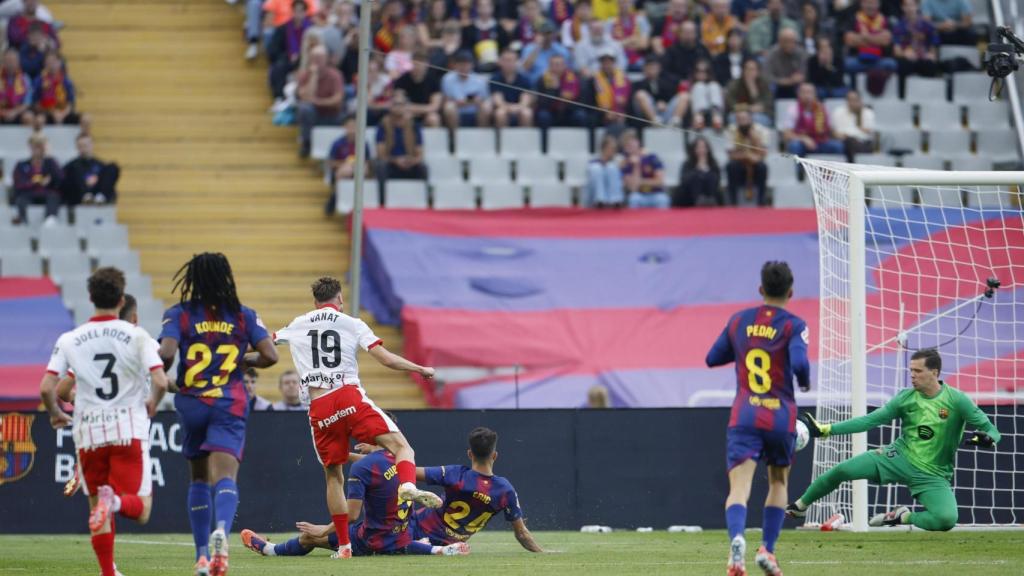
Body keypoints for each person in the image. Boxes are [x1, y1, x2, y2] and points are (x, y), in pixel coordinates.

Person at [267, 276, 443, 559]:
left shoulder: (299, 323)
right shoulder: (352, 323)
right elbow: (386, 358)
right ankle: (407, 485)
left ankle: (345, 546)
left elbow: (267, 341)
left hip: (319, 407)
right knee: (402, 448)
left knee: (333, 476)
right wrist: (421, 369)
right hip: (348, 396)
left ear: (315, 302)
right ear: (339, 299)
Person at [39, 267, 169, 576]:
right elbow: (161, 381)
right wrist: (152, 402)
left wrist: (55, 413)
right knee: (141, 509)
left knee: (96, 503)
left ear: (90, 298)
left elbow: (49, 389)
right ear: (121, 299)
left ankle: (107, 572)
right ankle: (114, 504)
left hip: (89, 434)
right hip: (127, 431)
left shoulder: (71, 339)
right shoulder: (137, 336)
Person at [158, 252, 280, 576]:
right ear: (226, 277)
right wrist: (242, 359)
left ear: (193, 280)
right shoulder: (243, 315)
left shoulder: (179, 313)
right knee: (225, 477)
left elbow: (166, 354)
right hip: (229, 403)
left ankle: (201, 556)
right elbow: (270, 356)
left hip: (192, 402)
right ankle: (222, 532)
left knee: (198, 477)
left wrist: (158, 368)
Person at [789, 349, 1001, 531]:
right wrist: (826, 430)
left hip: (932, 474)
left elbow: (992, 431)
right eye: (911, 370)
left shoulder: (957, 400)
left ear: (934, 373)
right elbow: (870, 420)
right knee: (843, 470)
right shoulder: (905, 398)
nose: (913, 375)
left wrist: (988, 439)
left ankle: (903, 517)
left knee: (946, 520)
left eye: (918, 371)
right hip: (897, 457)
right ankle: (800, 506)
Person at [706, 261, 811, 576]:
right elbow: (800, 364)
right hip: (780, 415)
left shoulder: (739, 321)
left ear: (761, 289)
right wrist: (804, 381)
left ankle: (737, 541)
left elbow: (712, 358)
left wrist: (743, 348)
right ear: (790, 292)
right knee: (778, 481)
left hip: (745, 415)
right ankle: (767, 549)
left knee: (739, 487)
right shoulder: (794, 325)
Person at [408, 427, 544, 553]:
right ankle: (422, 546)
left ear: (469, 454)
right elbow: (522, 534)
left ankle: (414, 544)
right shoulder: (505, 490)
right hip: (445, 544)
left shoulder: (455, 474)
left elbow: (409, 472)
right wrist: (542, 552)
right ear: (495, 456)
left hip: (412, 527)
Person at [296, 45, 344, 157]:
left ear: (326, 59)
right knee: (304, 109)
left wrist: (317, 102)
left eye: (320, 57)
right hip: (313, 115)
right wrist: (314, 76)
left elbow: (338, 99)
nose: (317, 60)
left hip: (332, 115)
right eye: (314, 57)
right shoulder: (305, 75)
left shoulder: (335, 75)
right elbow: (305, 98)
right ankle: (307, 143)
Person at [12, 132, 62, 227]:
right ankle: (23, 220)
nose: (37, 149)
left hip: (47, 193)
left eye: (40, 146)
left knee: (54, 196)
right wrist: (34, 182)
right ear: (30, 147)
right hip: (28, 194)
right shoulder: (22, 165)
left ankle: (50, 218)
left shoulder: (51, 163)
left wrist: (49, 157)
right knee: (20, 200)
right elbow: (18, 184)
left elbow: (60, 179)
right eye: (35, 146)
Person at [376, 91, 427, 182]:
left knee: (423, 168)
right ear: (391, 107)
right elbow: (381, 154)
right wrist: (396, 160)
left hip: (409, 163)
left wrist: (411, 161)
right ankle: (382, 192)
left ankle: (424, 191)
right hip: (391, 164)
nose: (398, 107)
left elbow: (420, 153)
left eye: (401, 104)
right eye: (396, 104)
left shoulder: (414, 125)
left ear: (406, 107)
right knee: (381, 166)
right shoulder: (383, 125)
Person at [783, 82, 844, 157]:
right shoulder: (793, 109)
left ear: (815, 94)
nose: (807, 95)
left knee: (838, 146)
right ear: (798, 94)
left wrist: (841, 135)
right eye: (804, 92)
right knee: (795, 145)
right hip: (802, 143)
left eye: (809, 92)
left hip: (820, 142)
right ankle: (799, 165)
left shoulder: (822, 109)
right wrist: (803, 139)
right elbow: (787, 134)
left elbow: (831, 130)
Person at [893, 0, 941, 96]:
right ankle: (902, 96)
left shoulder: (928, 25)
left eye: (912, 5)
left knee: (930, 64)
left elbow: (934, 47)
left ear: (917, 6)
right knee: (902, 65)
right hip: (907, 58)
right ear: (902, 8)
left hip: (923, 57)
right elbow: (896, 50)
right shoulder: (898, 26)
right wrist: (904, 54)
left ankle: (928, 96)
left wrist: (931, 55)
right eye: (906, 6)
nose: (909, 8)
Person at [267, 0, 311, 101]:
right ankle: (279, 97)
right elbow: (273, 49)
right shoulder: (283, 29)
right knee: (278, 67)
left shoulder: (311, 29)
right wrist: (288, 55)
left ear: (305, 13)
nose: (298, 14)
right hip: (287, 60)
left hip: (306, 60)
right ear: (292, 12)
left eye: (301, 11)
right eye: (296, 11)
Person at [843, 0, 898, 80]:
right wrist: (877, 39)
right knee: (847, 64)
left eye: (873, 3)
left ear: (878, 4)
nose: (870, 6)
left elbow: (886, 40)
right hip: (858, 60)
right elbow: (849, 40)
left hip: (879, 61)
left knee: (891, 64)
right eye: (868, 3)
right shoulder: (854, 18)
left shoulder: (884, 20)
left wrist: (865, 37)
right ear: (861, 4)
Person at [725, 108, 769, 206]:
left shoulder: (761, 130)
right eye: (740, 119)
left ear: (750, 119)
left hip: (755, 164)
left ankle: (761, 202)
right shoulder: (731, 130)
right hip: (739, 164)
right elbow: (730, 154)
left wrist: (755, 139)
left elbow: (763, 153)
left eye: (745, 119)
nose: (743, 122)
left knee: (763, 167)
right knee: (730, 166)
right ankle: (733, 203)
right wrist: (746, 156)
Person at [63, 134, 120, 205]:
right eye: (80, 146)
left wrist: (96, 178)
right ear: (77, 147)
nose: (83, 149)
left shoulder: (100, 164)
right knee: (73, 169)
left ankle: (101, 196)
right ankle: (86, 196)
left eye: (85, 145)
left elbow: (106, 178)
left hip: (96, 192)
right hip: (79, 194)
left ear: (91, 145)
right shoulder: (71, 165)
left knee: (112, 167)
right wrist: (85, 182)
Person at [441, 50, 492, 129]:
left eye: (466, 64)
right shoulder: (447, 78)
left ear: (472, 65)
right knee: (449, 107)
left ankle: (482, 134)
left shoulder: (480, 79)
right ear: (455, 65)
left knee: (486, 106)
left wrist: (477, 101)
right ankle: (454, 135)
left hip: (475, 110)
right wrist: (458, 102)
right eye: (461, 64)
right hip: (456, 110)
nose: (463, 67)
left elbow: (486, 99)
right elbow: (446, 100)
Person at [632, 57, 688, 128]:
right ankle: (656, 122)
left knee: (684, 95)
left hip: (668, 111)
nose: (652, 71)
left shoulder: (669, 81)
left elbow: (673, 94)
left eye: (654, 68)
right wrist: (656, 104)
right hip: (650, 115)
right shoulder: (638, 84)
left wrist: (665, 103)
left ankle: (675, 122)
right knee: (640, 94)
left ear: (659, 68)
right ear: (644, 69)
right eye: (649, 68)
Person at [620, 130, 668, 209]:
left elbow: (660, 181)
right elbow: (633, 188)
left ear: (637, 142)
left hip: (656, 193)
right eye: (627, 145)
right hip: (639, 195)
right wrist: (636, 165)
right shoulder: (626, 164)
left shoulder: (651, 157)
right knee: (634, 199)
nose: (630, 147)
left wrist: (641, 182)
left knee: (662, 199)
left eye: (631, 143)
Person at [535, 53, 585, 129]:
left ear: (564, 66)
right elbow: (542, 104)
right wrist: (553, 89)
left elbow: (573, 99)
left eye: (558, 65)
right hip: (551, 111)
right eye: (553, 65)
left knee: (580, 115)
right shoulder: (542, 79)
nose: (555, 67)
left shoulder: (572, 78)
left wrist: (558, 89)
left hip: (568, 111)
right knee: (543, 115)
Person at [393, 52, 443, 127]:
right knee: (404, 117)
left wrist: (411, 107)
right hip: (409, 113)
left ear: (427, 64)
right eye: (416, 63)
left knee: (433, 118)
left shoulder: (433, 81)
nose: (418, 66)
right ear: (411, 63)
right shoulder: (401, 80)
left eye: (421, 63)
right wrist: (407, 109)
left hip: (426, 114)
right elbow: (398, 104)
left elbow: (435, 107)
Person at [460, 0, 509, 72]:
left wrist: (501, 59)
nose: (484, 9)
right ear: (477, 8)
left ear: (492, 8)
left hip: (497, 69)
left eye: (487, 6)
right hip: (475, 70)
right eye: (481, 6)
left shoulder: (500, 29)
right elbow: (466, 50)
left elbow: (505, 48)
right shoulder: (469, 30)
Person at [519, 19, 570, 87]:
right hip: (534, 86)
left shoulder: (561, 50)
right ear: (538, 34)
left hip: (556, 86)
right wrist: (538, 47)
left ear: (554, 34)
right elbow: (525, 69)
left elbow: (567, 71)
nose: (546, 36)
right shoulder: (529, 49)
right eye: (543, 33)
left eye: (548, 33)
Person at [490, 48, 533, 127]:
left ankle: (525, 135)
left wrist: (517, 108)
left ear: (517, 62)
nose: (508, 63)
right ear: (500, 62)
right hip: (503, 107)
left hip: (519, 107)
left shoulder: (524, 79)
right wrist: (509, 108)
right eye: (505, 60)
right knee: (500, 113)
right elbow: (498, 101)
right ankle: (502, 135)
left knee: (527, 113)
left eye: (511, 60)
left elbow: (525, 101)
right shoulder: (495, 79)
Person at [674, 136, 722, 207]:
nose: (701, 150)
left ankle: (710, 200)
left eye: (703, 147)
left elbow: (717, 180)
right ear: (694, 149)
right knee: (695, 177)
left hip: (709, 193)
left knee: (711, 176)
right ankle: (699, 200)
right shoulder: (688, 163)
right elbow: (684, 181)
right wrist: (697, 169)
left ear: (708, 149)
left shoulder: (713, 163)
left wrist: (706, 170)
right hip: (690, 195)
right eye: (698, 147)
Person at [726, 58, 774, 127]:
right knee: (732, 118)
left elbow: (767, 104)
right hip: (739, 113)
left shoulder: (764, 84)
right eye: (747, 69)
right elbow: (731, 103)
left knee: (758, 119)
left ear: (758, 71)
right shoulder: (735, 84)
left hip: (760, 114)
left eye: (752, 69)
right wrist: (747, 108)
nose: (749, 72)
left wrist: (753, 90)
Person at [33, 51, 77, 125]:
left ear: (59, 63)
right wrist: (52, 112)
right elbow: (36, 104)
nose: (51, 64)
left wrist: (62, 114)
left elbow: (70, 102)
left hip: (64, 112)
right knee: (39, 120)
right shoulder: (39, 80)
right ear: (44, 64)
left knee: (86, 119)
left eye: (53, 61)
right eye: (48, 61)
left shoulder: (66, 81)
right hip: (46, 113)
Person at [831, 89, 875, 162]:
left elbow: (868, 131)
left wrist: (859, 115)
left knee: (851, 142)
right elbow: (835, 133)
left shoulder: (867, 112)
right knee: (847, 142)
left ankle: (850, 164)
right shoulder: (838, 112)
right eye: (850, 100)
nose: (852, 102)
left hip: (863, 143)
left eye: (855, 100)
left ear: (860, 100)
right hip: (844, 142)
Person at [763, 28, 806, 100]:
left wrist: (800, 77)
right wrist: (784, 81)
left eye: (792, 41)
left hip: (796, 85)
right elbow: (766, 76)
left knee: (806, 88)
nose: (789, 44)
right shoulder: (772, 54)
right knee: (771, 87)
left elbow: (805, 72)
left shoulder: (801, 53)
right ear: (779, 41)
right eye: (786, 41)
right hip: (778, 85)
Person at [663, 21, 710, 86]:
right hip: (677, 85)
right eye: (685, 32)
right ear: (679, 34)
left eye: (691, 32)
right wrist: (679, 81)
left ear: (696, 34)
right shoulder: (671, 51)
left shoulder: (702, 50)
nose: (688, 35)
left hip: (701, 82)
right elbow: (666, 72)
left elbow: (710, 69)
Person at [593, 50, 631, 130]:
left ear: (614, 63)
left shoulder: (624, 78)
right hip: (602, 112)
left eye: (609, 62)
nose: (606, 65)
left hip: (621, 112)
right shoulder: (594, 79)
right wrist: (605, 112)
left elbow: (627, 98)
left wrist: (618, 111)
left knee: (622, 117)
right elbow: (593, 100)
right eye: (604, 62)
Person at [609, 0, 650, 71]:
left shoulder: (641, 20)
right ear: (617, 4)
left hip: (638, 59)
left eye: (626, 2)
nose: (624, 5)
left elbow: (643, 44)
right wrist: (632, 40)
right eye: (621, 2)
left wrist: (622, 44)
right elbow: (610, 46)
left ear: (631, 4)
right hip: (618, 60)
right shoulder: (610, 22)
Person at [585, 134, 624, 207]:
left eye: (615, 149)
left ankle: (615, 200)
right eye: (611, 148)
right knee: (596, 168)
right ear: (604, 148)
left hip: (612, 195)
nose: (614, 151)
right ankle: (600, 200)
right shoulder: (593, 161)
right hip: (594, 194)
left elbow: (621, 178)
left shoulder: (618, 161)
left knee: (611, 167)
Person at [0, 48, 34, 125]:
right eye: (8, 60)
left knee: (29, 116)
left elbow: (27, 102)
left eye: (13, 60)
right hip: (1, 111)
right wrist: (3, 112)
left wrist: (14, 112)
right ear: (3, 62)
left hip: (18, 112)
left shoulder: (25, 78)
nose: (10, 63)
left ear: (18, 62)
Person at [688, 60, 724, 131]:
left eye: (705, 71)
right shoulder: (689, 83)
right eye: (698, 71)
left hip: (713, 111)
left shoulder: (713, 85)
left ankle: (717, 120)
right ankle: (699, 120)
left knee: (714, 85)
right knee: (699, 86)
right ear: (694, 72)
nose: (701, 74)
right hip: (695, 112)